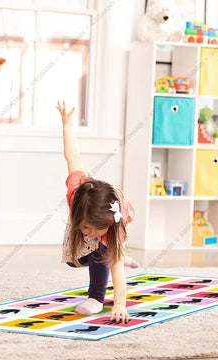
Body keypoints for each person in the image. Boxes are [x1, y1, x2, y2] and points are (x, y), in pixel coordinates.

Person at [56, 101, 138, 324]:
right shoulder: (76, 192)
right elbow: (72, 157)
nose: (90, 232)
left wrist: (119, 304)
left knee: (106, 255)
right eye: (85, 227)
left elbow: (118, 276)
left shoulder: (110, 228)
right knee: (75, 260)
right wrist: (67, 125)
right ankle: (116, 254)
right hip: (93, 209)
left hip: (115, 215)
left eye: (95, 229)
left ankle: (96, 298)